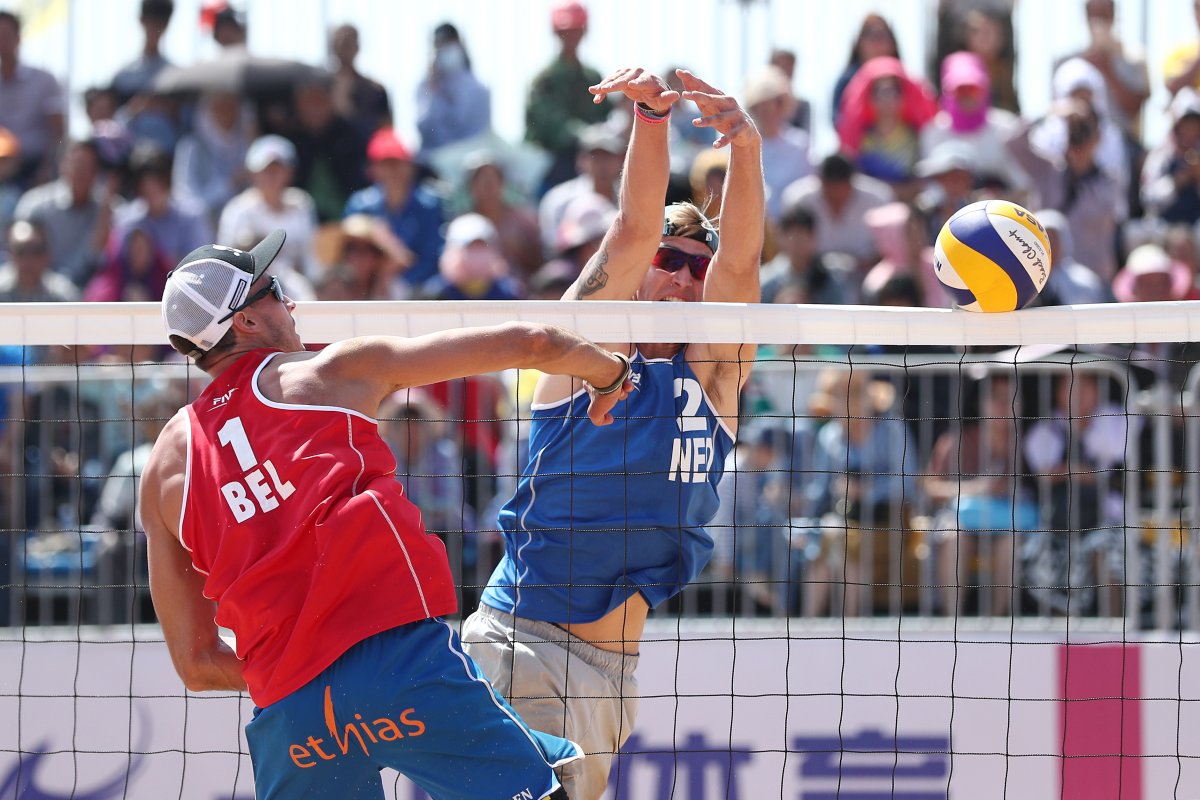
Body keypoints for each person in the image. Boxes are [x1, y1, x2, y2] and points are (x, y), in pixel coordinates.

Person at [140, 228, 643, 799]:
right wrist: (611, 374)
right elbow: (533, 341)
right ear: (246, 322)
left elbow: (198, 663)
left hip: (291, 708)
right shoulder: (326, 376)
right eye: (275, 289)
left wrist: (302, 670)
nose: (292, 302)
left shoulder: (162, 468)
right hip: (401, 667)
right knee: (563, 778)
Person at [461, 66, 764, 800]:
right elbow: (630, 232)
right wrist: (652, 121)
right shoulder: (578, 354)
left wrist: (747, 146)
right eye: (670, 262)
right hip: (525, 648)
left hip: (610, 677)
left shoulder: (717, 381)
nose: (686, 279)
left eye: (698, 267)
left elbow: (743, 267)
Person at [525, 1, 614, 194]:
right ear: (555, 32)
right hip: (554, 163)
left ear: (584, 31)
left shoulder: (593, 77)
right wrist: (585, 134)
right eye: (565, 30)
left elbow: (607, 116)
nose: (571, 36)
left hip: (593, 159)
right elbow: (549, 126)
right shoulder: (544, 80)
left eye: (576, 29)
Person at [0, 10, 66, 189]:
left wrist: (48, 169)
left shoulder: (44, 81)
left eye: (6, 35)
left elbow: (59, 133)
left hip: (36, 169)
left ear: (18, 38)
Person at [416, 22, 492, 156]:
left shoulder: (479, 90)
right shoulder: (424, 87)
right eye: (439, 44)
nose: (444, 49)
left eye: (448, 43)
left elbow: (476, 134)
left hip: (467, 162)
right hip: (434, 162)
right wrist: (433, 90)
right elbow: (424, 129)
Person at [328, 23, 393, 141]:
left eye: (348, 44)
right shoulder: (323, 88)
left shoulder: (375, 90)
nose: (344, 50)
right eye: (341, 45)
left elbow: (386, 132)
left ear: (357, 47)